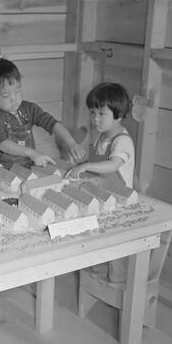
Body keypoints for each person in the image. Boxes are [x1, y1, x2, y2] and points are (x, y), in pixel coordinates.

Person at [66, 82, 135, 283]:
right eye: (92, 113)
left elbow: (112, 166)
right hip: (101, 198)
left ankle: (117, 281)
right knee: (96, 239)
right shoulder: (102, 136)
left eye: (101, 114)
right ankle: (96, 278)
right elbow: (96, 164)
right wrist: (80, 163)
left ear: (119, 114)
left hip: (118, 202)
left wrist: (87, 166)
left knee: (115, 244)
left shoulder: (122, 141)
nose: (95, 119)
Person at [0, 57, 85, 172]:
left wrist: (71, 143)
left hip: (28, 170)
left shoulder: (29, 109)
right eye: (6, 95)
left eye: (17, 91)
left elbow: (53, 124)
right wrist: (32, 153)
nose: (13, 98)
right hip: (3, 174)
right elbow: (3, 144)